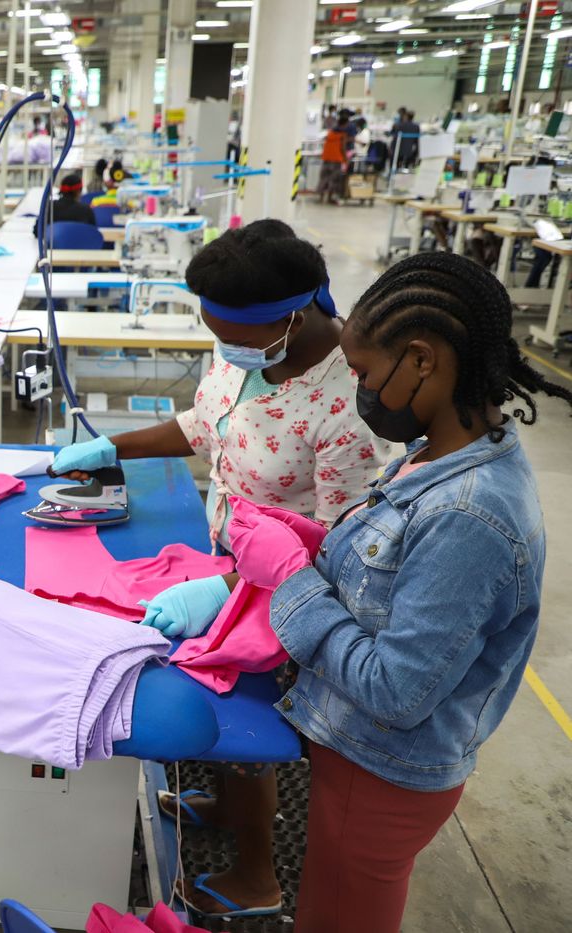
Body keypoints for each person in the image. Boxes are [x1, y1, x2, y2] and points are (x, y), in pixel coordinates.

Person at [52, 220, 385, 919]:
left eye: (228, 332)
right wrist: (111, 448)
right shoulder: (251, 351)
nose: (222, 346)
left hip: (284, 588)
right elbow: (203, 426)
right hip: (231, 558)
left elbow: (338, 540)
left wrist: (228, 588)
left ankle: (257, 876)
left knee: (246, 722)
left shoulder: (345, 405)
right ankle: (226, 811)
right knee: (217, 687)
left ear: (289, 318)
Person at [267, 252, 567, 932]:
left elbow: (397, 690)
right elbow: (396, 578)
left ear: (422, 360)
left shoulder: (470, 514)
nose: (360, 391)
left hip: (380, 771)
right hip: (357, 759)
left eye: (367, 373)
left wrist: (293, 585)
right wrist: (320, 543)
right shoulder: (441, 450)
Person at [35, 172, 98, 237]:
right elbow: (93, 234)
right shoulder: (86, 210)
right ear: (79, 191)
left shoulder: (49, 207)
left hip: (54, 246)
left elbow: (37, 231)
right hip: (80, 246)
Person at [317, 114, 350, 205]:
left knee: (324, 178)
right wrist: (345, 159)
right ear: (345, 124)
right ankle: (330, 198)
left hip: (326, 158)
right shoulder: (342, 134)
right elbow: (342, 148)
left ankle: (321, 197)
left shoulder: (330, 132)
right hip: (336, 159)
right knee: (334, 179)